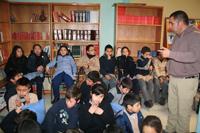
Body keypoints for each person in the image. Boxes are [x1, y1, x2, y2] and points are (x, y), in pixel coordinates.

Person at [158, 10, 200, 132]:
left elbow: (194, 56)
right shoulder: (177, 36)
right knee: (172, 108)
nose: (169, 26)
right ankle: (170, 129)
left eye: (171, 23)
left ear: (180, 23)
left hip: (186, 81)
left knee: (183, 112)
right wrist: (168, 61)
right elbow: (177, 56)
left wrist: (170, 53)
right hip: (174, 78)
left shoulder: (195, 35)